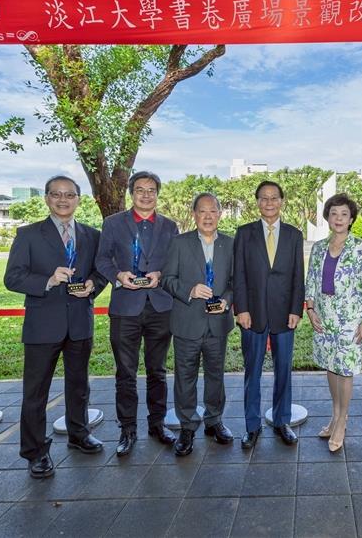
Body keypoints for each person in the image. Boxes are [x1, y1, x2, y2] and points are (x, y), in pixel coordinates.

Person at [4, 175, 106, 478]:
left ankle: (79, 434)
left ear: (78, 199)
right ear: (47, 198)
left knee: (79, 386)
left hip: (80, 323)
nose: (63, 200)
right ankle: (35, 452)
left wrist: (93, 285)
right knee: (36, 392)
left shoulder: (92, 235)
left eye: (70, 195)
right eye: (56, 194)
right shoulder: (28, 234)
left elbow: (101, 271)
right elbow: (12, 278)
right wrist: (47, 280)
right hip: (43, 324)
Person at [96, 171, 179, 457]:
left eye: (151, 190)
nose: (146, 195)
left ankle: (157, 424)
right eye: (140, 189)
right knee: (125, 373)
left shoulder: (170, 226)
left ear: (157, 194)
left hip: (160, 307)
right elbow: (102, 259)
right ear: (132, 193)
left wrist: (160, 274)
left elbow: (175, 262)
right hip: (125, 308)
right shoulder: (113, 223)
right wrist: (119, 275)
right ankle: (128, 429)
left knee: (158, 371)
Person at [233, 180, 305, 449]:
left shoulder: (294, 235)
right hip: (252, 315)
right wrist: (241, 309)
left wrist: (296, 309)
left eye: (274, 197)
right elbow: (238, 274)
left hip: (284, 315)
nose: (269, 202)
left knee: (283, 371)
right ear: (257, 202)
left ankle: (282, 421)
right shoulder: (244, 233)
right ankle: (252, 426)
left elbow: (298, 277)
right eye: (264, 198)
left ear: (282, 201)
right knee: (252, 372)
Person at [162, 192, 235, 457]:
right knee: (185, 377)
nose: (208, 216)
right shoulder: (179, 243)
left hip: (218, 324)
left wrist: (227, 300)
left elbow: (235, 282)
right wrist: (190, 290)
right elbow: (167, 279)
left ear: (220, 214)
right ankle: (188, 427)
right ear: (194, 214)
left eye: (213, 211)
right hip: (187, 323)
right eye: (202, 211)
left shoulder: (230, 244)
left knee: (216, 376)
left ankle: (214, 421)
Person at [305, 194, 362, 452]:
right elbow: (311, 281)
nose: (338, 218)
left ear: (351, 219)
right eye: (334, 213)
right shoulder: (318, 248)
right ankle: (334, 416)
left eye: (344, 214)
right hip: (324, 318)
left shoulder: (361, 248)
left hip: (350, 320)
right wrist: (310, 310)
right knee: (331, 367)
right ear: (327, 217)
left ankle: (342, 422)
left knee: (345, 370)